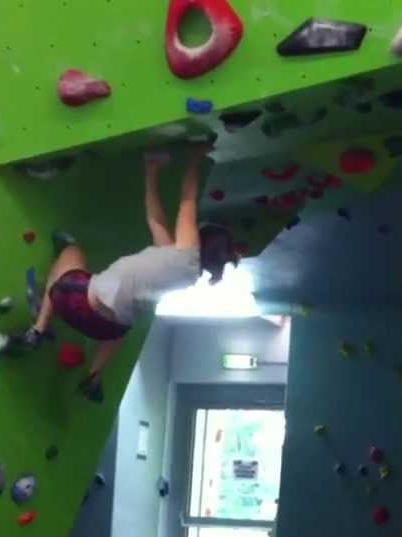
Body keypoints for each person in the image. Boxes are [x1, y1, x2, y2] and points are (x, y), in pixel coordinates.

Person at [22, 143, 239, 400]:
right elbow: (155, 220)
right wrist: (151, 172)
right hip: (104, 329)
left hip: (77, 301)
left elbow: (187, 200)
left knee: (70, 254)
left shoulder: (185, 252)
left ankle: (38, 329)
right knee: (122, 325)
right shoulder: (184, 272)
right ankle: (94, 374)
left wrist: (194, 160)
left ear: (200, 240)